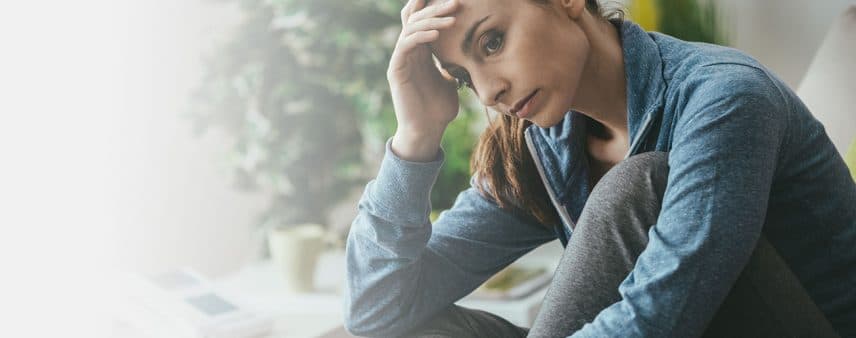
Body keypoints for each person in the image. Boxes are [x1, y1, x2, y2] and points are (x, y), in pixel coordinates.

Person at [343, 0, 856, 336]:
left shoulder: (726, 98)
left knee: (636, 184)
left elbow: (658, 316)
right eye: (462, 77)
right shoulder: (541, 145)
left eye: (492, 42)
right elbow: (377, 312)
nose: (489, 92)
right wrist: (417, 136)